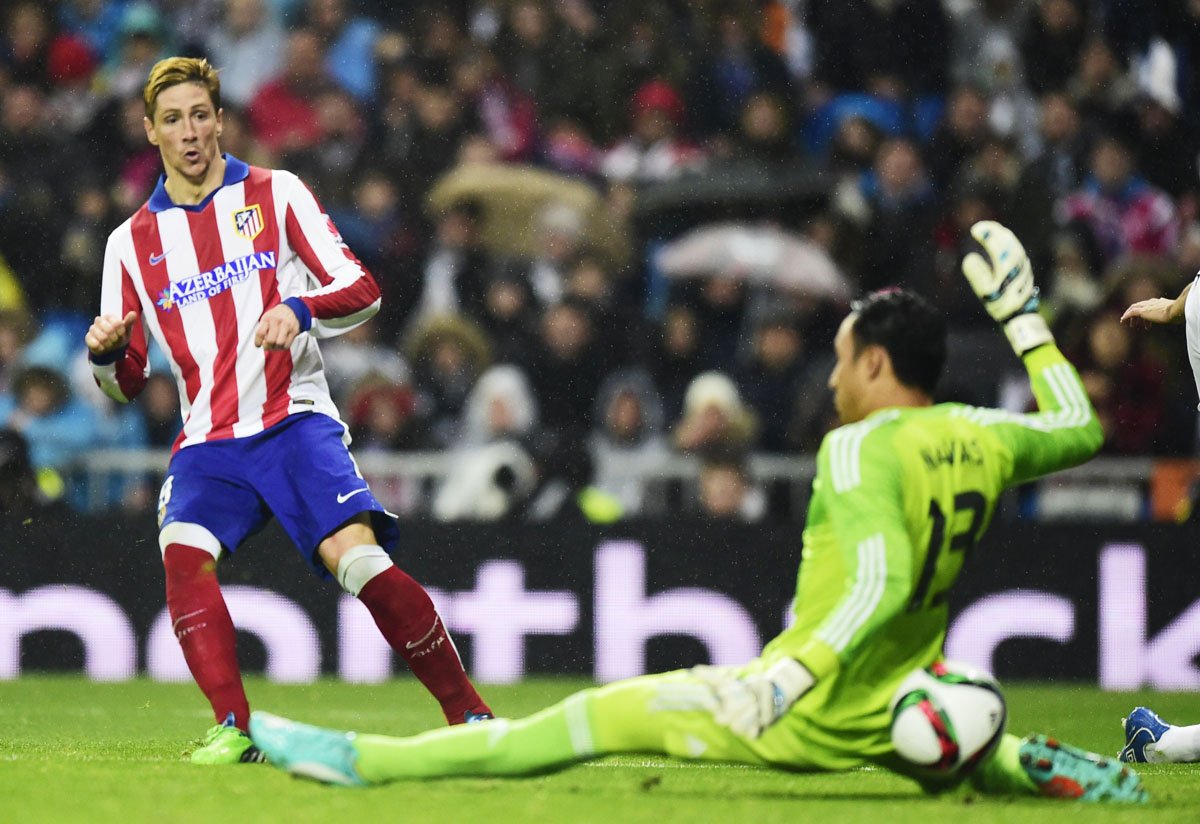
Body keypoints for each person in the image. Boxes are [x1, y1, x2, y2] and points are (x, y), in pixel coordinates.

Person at [248, 222, 1146, 804]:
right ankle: (1075, 773)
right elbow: (1076, 426)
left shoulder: (861, 446)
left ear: (875, 364)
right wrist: (1026, 323)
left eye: (840, 359)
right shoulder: (982, 435)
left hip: (804, 700)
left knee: (574, 727)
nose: (830, 379)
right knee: (943, 734)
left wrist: (782, 684)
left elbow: (881, 580)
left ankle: (359, 760)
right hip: (899, 694)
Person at [83, 57, 492, 766]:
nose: (190, 132)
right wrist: (103, 357)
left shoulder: (278, 194)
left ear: (220, 121)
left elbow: (363, 289)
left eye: (201, 115)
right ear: (150, 131)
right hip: (209, 439)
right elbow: (127, 382)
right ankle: (235, 728)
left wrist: (299, 309)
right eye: (173, 119)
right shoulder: (130, 245)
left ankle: (471, 713)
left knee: (356, 561)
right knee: (183, 554)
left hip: (293, 418)